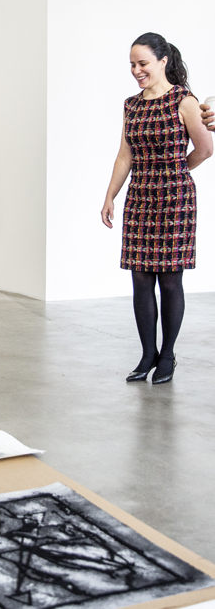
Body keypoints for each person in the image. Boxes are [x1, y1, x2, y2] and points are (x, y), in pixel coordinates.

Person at [101, 32, 212, 384]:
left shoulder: (183, 100)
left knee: (170, 281)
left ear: (163, 61)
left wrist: (175, 171)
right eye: (132, 64)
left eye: (143, 63)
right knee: (140, 279)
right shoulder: (131, 105)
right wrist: (110, 197)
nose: (136, 70)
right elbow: (125, 155)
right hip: (139, 198)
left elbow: (205, 148)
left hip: (176, 200)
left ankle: (167, 356)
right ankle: (147, 353)